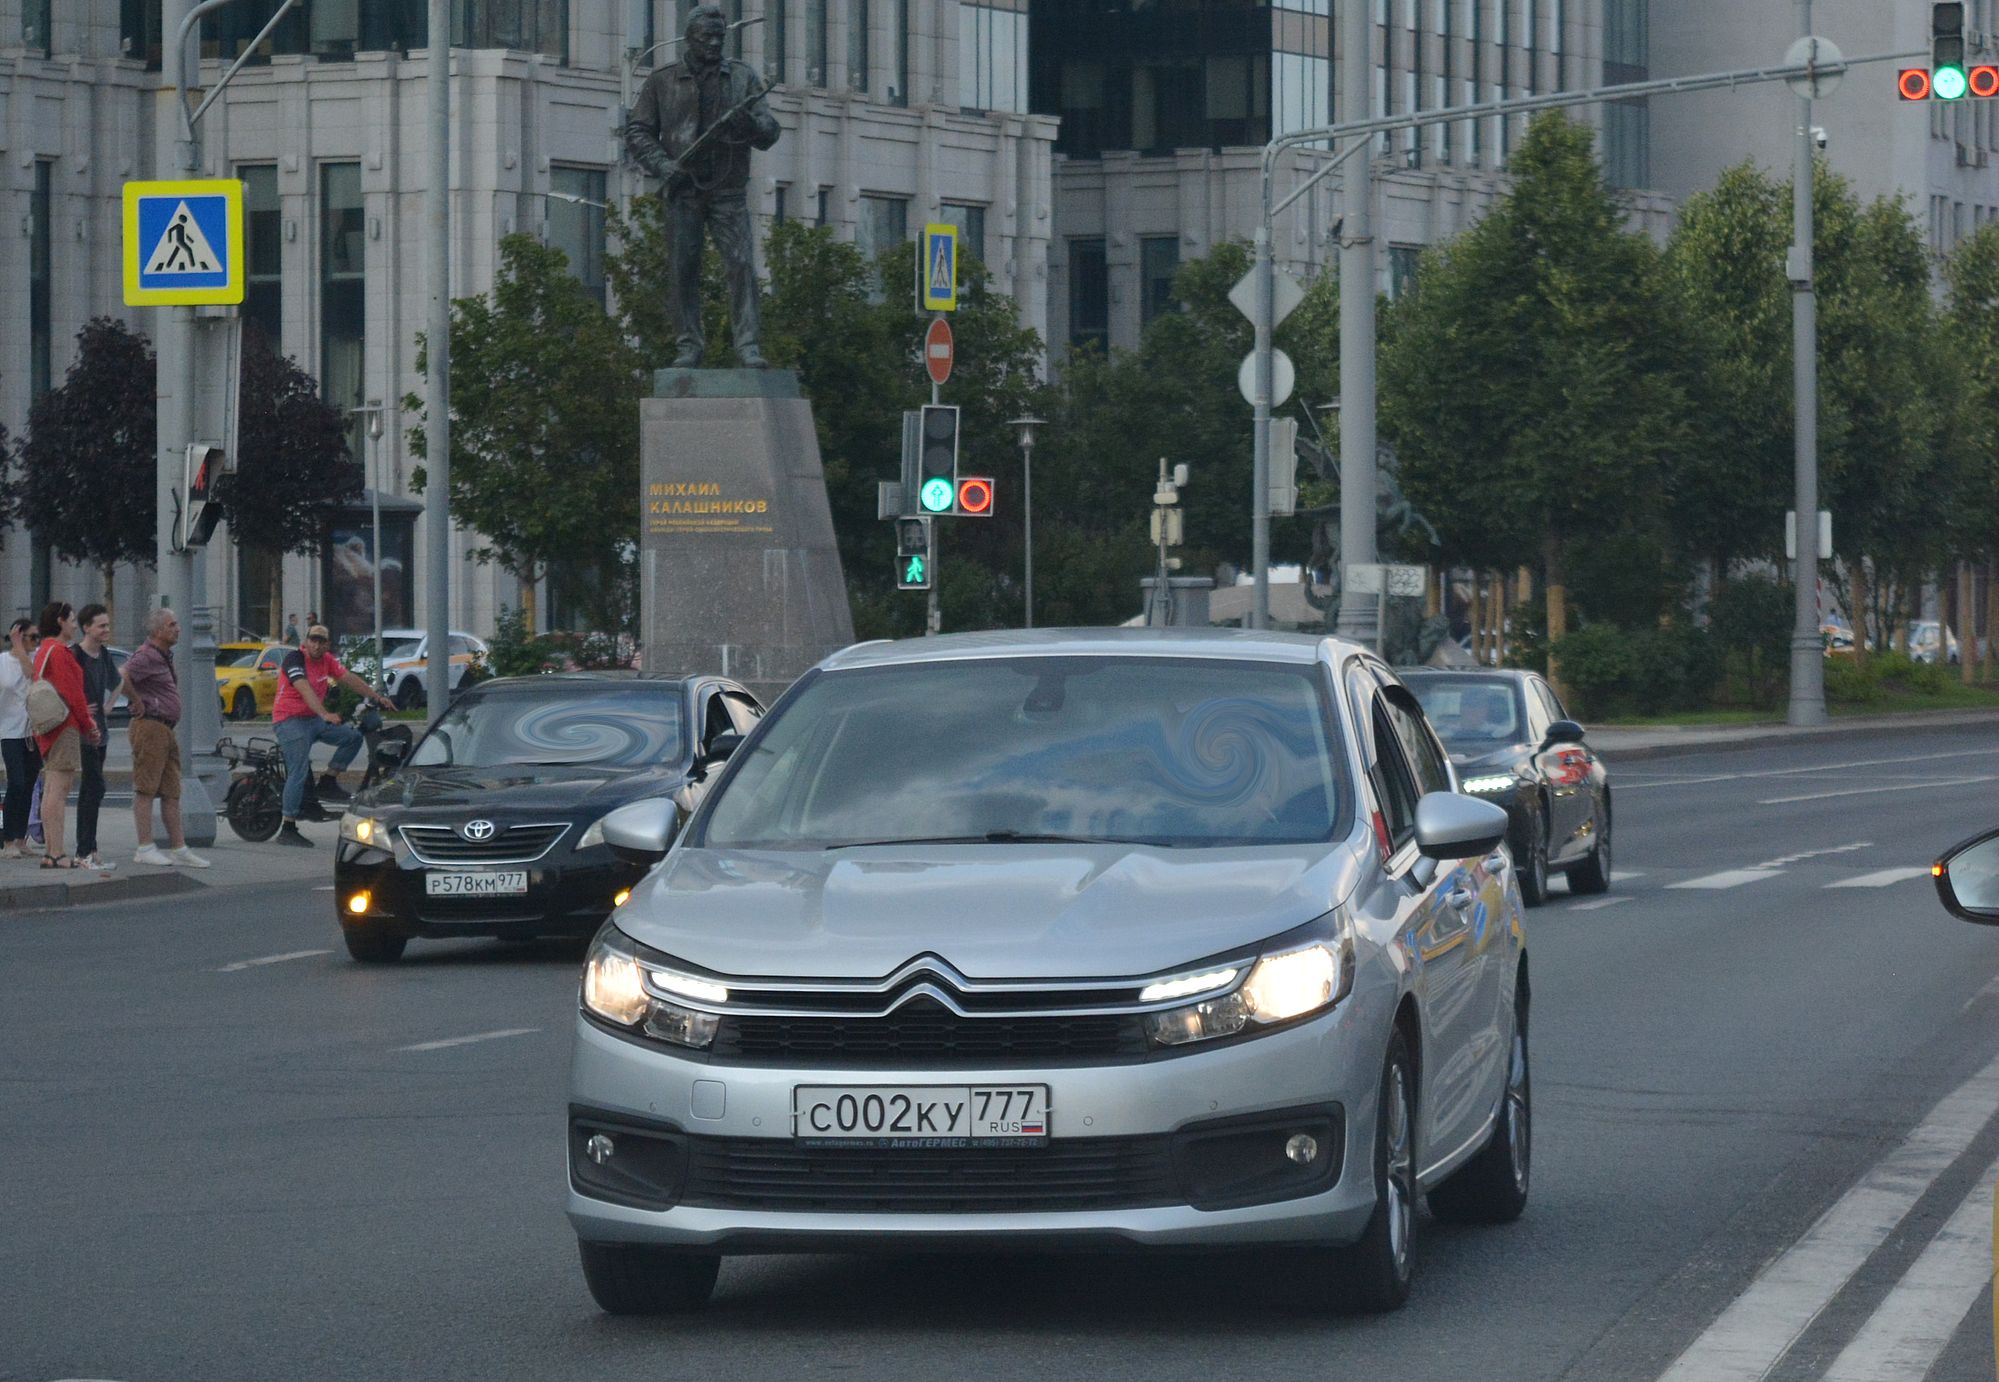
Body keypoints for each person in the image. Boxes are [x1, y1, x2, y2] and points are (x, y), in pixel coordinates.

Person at [625, 4, 781, 368]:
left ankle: (747, 344)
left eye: (719, 37)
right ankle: (688, 345)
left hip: (728, 189)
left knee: (741, 264)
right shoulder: (662, 80)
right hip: (684, 191)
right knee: (684, 268)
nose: (714, 43)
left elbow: (769, 132)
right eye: (706, 37)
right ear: (689, 38)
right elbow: (637, 130)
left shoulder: (743, 77)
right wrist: (664, 166)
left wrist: (748, 125)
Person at [271, 624, 394, 848]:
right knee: (297, 771)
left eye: (321, 641)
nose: (316, 645)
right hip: (289, 720)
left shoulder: (327, 660)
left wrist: (377, 697)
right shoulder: (295, 659)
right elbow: (304, 688)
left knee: (353, 737)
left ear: (327, 644)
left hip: (313, 719)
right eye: (313, 640)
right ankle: (287, 827)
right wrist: (325, 713)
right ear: (306, 641)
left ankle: (327, 781)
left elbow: (349, 678)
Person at [118, 608, 209, 869]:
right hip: (150, 727)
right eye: (172, 624)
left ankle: (179, 847)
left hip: (165, 728)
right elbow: (121, 675)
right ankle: (145, 846)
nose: (178, 628)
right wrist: (136, 700)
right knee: (145, 789)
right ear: (158, 631)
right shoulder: (146, 655)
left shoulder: (162, 656)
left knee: (172, 791)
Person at [31, 602, 96, 870]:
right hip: (63, 725)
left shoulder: (43, 651)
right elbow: (74, 695)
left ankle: (50, 851)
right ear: (59, 621)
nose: (74, 625)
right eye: (70, 619)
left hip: (46, 727)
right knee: (59, 790)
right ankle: (57, 852)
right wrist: (88, 725)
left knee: (51, 790)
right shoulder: (60, 652)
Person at [70, 604, 117, 872]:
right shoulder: (76, 655)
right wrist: (78, 708)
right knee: (93, 788)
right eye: (101, 625)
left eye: (107, 625)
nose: (106, 630)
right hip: (83, 732)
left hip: (101, 731)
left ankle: (91, 848)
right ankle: (82, 851)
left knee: (94, 790)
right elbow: (62, 687)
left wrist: (109, 704)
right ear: (86, 627)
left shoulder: (105, 654)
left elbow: (117, 680)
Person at [0, 619, 41, 859]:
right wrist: (15, 646)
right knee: (16, 783)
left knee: (29, 785)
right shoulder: (4, 661)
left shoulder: (34, 659)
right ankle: (7, 839)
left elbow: (34, 676)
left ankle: (20, 838)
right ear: (19, 636)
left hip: (33, 732)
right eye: (32, 637)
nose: (36, 642)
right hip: (10, 732)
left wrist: (23, 649)